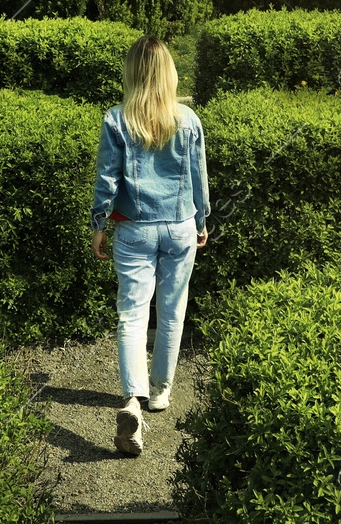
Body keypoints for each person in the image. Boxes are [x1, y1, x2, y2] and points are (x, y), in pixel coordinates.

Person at [89, 34, 211, 457]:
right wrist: (202, 218)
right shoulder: (188, 119)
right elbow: (199, 176)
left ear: (132, 73)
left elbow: (107, 179)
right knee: (172, 311)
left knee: (132, 315)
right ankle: (160, 392)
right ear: (169, 73)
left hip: (134, 229)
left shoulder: (117, 119)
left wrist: (98, 223)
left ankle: (131, 401)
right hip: (180, 226)